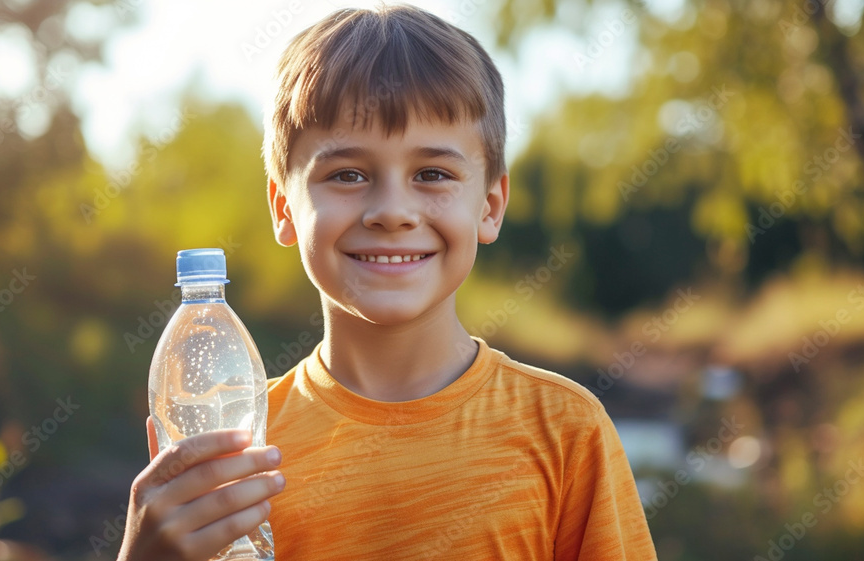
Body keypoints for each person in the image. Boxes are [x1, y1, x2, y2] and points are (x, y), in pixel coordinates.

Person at [117, 4, 657, 560]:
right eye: (347, 174)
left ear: (491, 206)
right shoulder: (238, 452)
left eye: (432, 174)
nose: (392, 211)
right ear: (283, 207)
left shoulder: (565, 431)